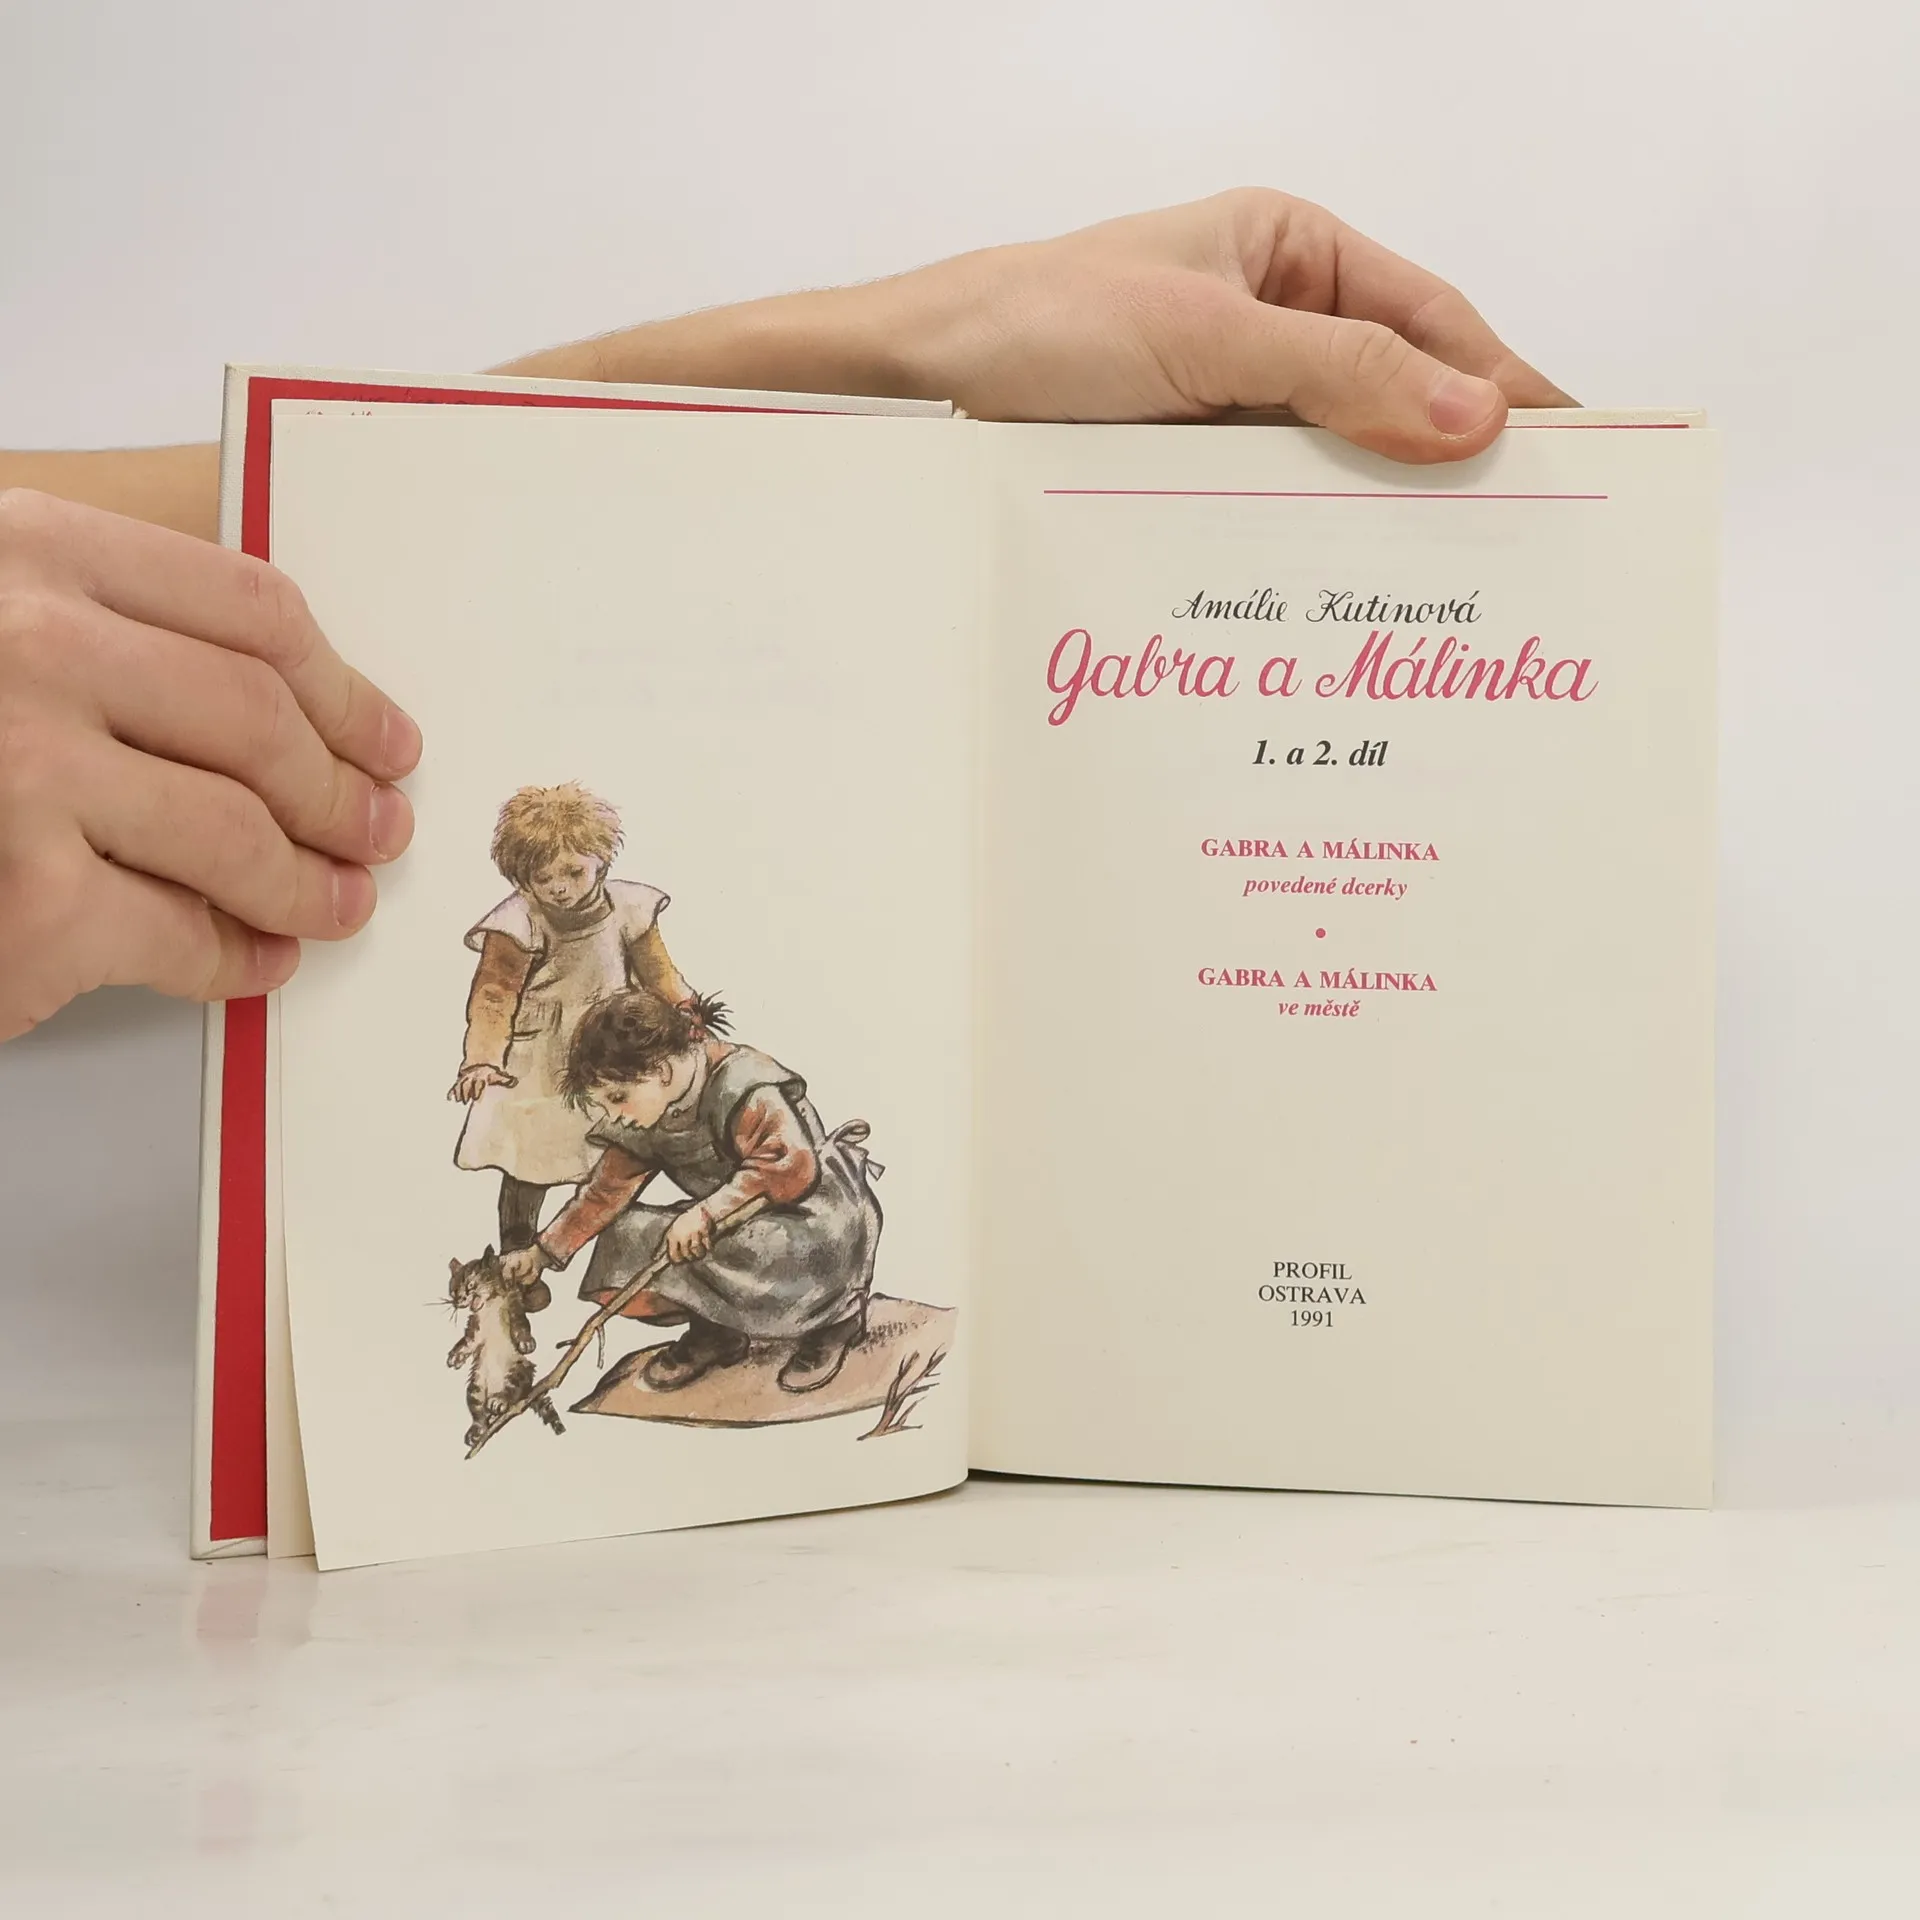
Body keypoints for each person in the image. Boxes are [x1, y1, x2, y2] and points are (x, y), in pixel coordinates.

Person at [0, 189, 1571, 1044]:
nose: (575, 880)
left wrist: (887, 364)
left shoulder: (633, 902)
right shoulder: (511, 931)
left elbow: (126, 570)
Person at [501, 988, 883, 1396]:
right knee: (624, 1238)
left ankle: (834, 1322)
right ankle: (717, 1331)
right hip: (733, 1225)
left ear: (662, 1072)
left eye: (617, 1098)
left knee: (767, 1246)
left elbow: (790, 1165)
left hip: (813, 1224)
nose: (614, 1115)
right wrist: (543, 1252)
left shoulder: (740, 1082)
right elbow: (604, 1193)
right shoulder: (648, 1113)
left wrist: (705, 1215)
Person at [448, 783, 705, 1265]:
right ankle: (517, 1258)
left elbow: (658, 971)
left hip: (611, 1047)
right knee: (529, 1160)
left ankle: (606, 1254)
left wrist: (686, 1010)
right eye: (543, 877)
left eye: (573, 872)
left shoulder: (629, 907)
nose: (560, 887)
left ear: (600, 864)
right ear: (522, 879)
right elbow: (493, 995)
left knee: (618, 1148)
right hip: (540, 1059)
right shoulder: (516, 922)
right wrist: (480, 1059)